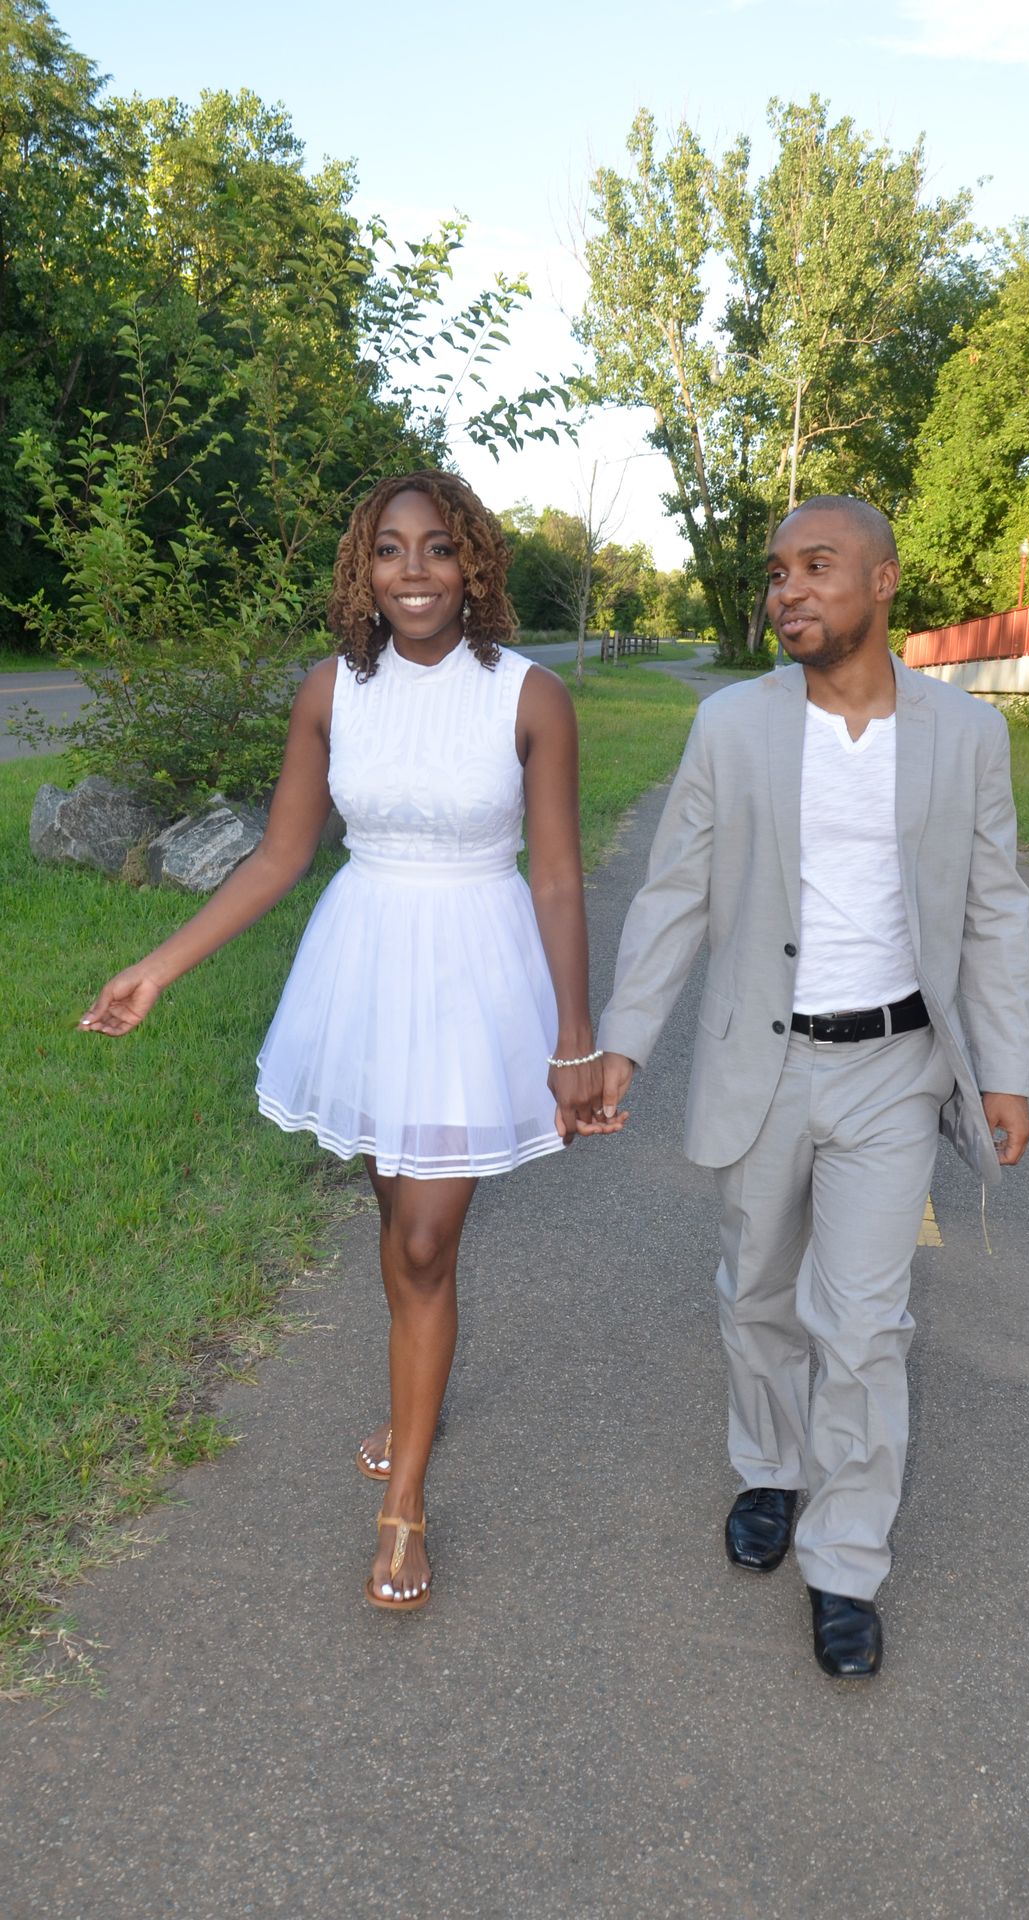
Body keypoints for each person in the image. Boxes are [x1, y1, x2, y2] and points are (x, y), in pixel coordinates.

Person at [80, 470, 605, 1614]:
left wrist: (574, 1036)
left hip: (477, 972)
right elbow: (277, 857)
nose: (412, 572)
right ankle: (418, 1386)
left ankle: (404, 1506)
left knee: (423, 1243)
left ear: (476, 564)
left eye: (436, 549)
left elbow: (557, 874)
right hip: (364, 965)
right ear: (360, 571)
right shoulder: (331, 692)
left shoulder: (530, 697)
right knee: (392, 1216)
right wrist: (156, 970)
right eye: (388, 550)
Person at [586, 495, 1029, 1676]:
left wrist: (1007, 1072)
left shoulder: (965, 734)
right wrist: (622, 1040)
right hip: (763, 1061)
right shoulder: (732, 728)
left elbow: (994, 912)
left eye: (816, 566)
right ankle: (770, 1471)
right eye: (778, 571)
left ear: (882, 582)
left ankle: (844, 1561)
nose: (787, 589)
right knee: (758, 1295)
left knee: (866, 1325)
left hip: (896, 1065)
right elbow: (675, 892)